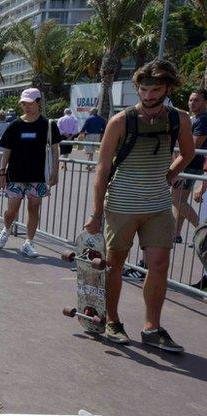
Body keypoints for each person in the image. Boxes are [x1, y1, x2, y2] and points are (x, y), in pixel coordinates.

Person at [83, 60, 193, 352]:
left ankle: (152, 328)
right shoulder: (121, 121)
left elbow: (189, 152)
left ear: (168, 88)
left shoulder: (177, 118)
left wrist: (168, 176)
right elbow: (102, 170)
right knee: (113, 265)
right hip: (121, 205)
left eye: (155, 90)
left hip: (158, 206)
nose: (148, 96)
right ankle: (113, 321)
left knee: (159, 265)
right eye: (143, 90)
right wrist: (95, 214)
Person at [0, 88, 61, 257]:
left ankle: (29, 242)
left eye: (30, 103)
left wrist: (55, 171)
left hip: (37, 176)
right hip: (16, 174)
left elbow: (54, 150)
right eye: (24, 103)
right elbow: (7, 150)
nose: (27, 107)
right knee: (12, 210)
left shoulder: (48, 125)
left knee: (34, 208)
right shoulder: (15, 125)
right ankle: (6, 229)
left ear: (38, 102)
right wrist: (2, 172)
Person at [174, 89, 207, 243]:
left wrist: (177, 167)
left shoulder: (203, 120)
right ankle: (175, 234)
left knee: (176, 199)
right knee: (181, 200)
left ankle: (202, 230)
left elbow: (192, 147)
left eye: (196, 100)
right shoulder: (195, 118)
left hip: (189, 165)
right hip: (188, 164)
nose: (192, 103)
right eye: (191, 100)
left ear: (205, 102)